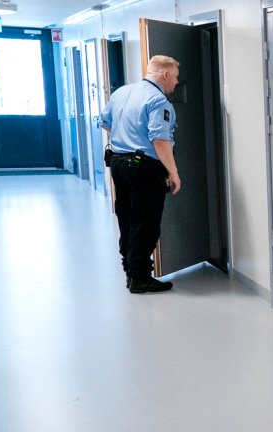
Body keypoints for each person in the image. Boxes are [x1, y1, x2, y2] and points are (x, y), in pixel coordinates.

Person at [100, 55, 183, 294]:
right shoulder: (158, 100)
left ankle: (130, 271)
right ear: (165, 75)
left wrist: (126, 137)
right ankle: (140, 278)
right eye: (175, 77)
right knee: (146, 222)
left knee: (127, 218)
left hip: (119, 162)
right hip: (145, 167)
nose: (176, 82)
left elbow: (105, 122)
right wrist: (173, 172)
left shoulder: (122, 93)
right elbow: (160, 139)